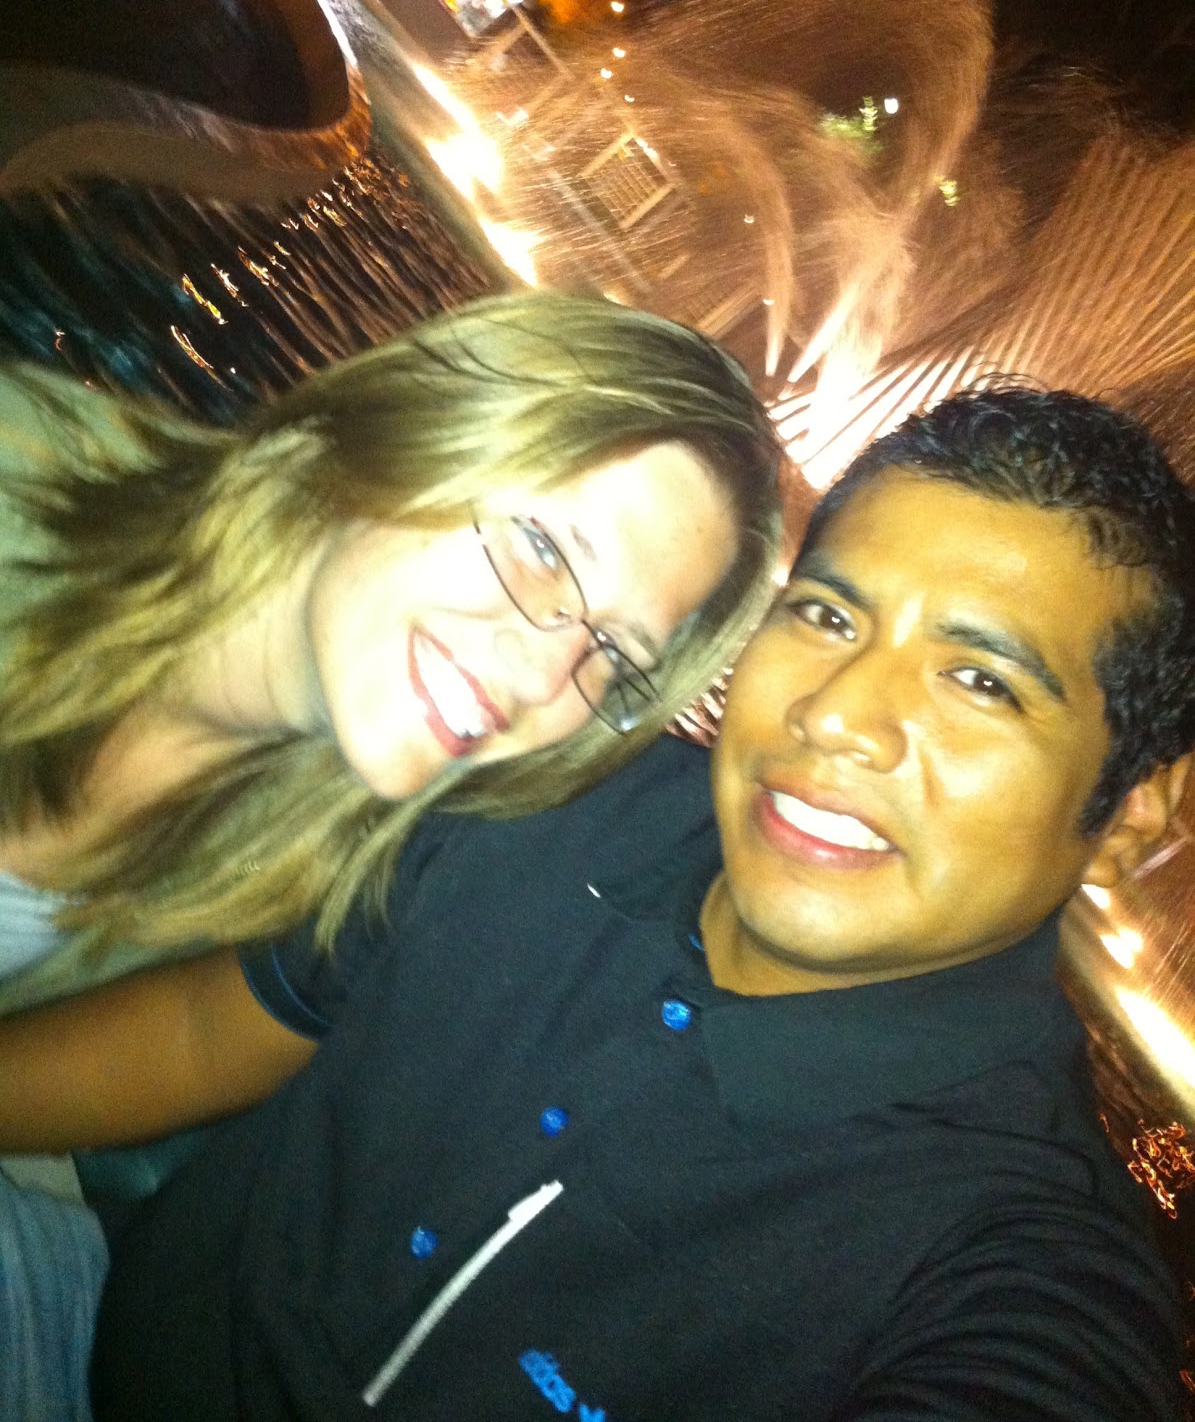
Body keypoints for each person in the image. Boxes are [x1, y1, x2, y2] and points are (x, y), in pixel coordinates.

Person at [3, 382, 1193, 1420]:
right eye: (826, 615)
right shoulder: (562, 795)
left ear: (1132, 812)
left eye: (979, 679)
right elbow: (214, 1026)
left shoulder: (1011, 1259)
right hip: (71, 1327)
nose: (833, 713)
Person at [0, 291, 783, 1013]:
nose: (545, 678)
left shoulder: (300, 884)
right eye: (542, 547)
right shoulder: (17, 481)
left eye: (611, 648)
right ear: (408, 431)